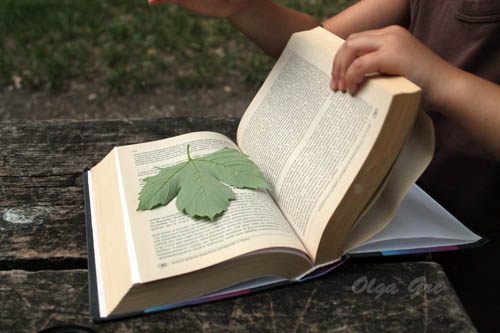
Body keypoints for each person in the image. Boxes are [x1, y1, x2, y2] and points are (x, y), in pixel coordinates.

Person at [149, 0, 500, 329]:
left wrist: (443, 82)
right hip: (394, 214)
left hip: (474, 261)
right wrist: (244, 7)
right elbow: (325, 44)